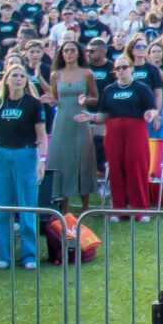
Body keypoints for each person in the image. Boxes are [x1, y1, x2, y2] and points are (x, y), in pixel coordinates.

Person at [80, 59, 158, 223]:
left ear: (131, 69)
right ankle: (118, 209)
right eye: (118, 68)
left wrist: (151, 114)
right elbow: (104, 115)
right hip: (113, 130)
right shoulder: (109, 90)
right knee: (115, 168)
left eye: (124, 67)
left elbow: (153, 109)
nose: (121, 70)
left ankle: (141, 209)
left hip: (135, 128)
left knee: (136, 166)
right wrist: (91, 117)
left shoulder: (141, 88)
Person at [0, 67, 47, 270]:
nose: (18, 79)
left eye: (22, 76)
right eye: (14, 75)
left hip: (26, 154)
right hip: (3, 155)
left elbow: (41, 136)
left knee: (26, 206)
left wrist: (42, 160)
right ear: (7, 79)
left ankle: (29, 255)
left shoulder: (34, 104)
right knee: (3, 207)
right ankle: (4, 256)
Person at [45, 41, 99, 212]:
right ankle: (63, 206)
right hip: (62, 121)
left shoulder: (87, 74)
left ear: (78, 53)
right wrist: (50, 100)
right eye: (65, 51)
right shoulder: (55, 75)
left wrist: (86, 100)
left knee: (83, 159)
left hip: (80, 120)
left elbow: (95, 98)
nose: (68, 53)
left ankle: (85, 206)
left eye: (72, 50)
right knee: (61, 159)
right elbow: (56, 99)